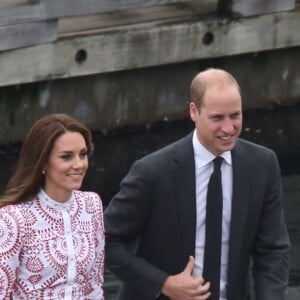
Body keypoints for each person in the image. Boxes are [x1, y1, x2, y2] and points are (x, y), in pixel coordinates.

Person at [104, 68, 290, 300]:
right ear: (194, 111)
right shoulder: (152, 172)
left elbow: (272, 251)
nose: (229, 128)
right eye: (217, 118)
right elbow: (107, 241)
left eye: (235, 115)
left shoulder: (263, 165)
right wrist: (164, 283)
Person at [0, 113, 105, 299]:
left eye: (83, 154)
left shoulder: (92, 205)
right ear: (42, 162)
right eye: (66, 157)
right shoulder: (13, 219)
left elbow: (94, 285)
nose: (79, 164)